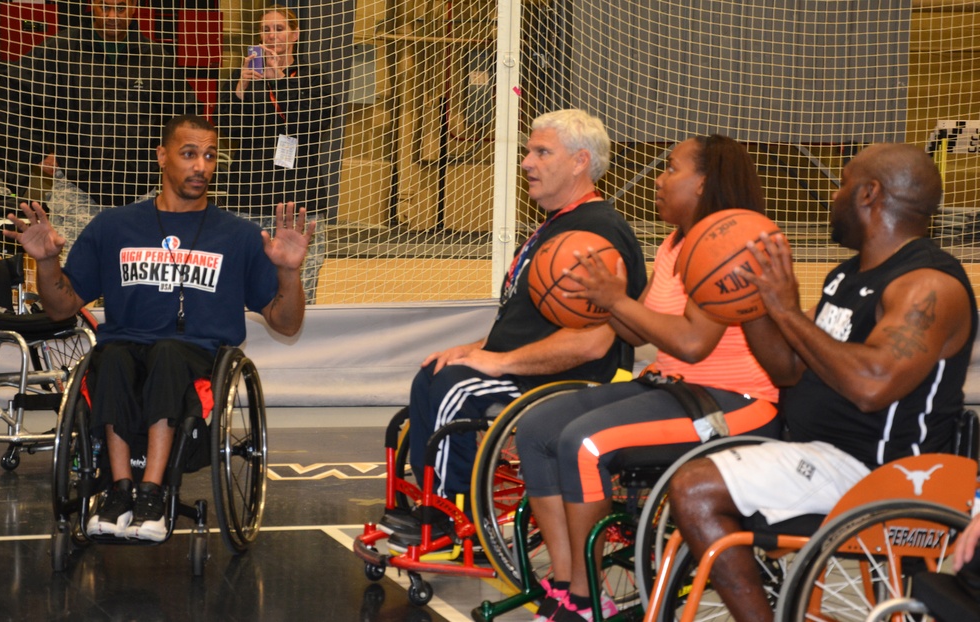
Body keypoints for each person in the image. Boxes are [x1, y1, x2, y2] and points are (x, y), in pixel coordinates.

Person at [666, 142, 977, 622]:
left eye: (843, 183)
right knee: (693, 476)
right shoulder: (847, 276)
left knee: (696, 488)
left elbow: (871, 386)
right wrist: (755, 304)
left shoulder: (928, 285)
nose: (834, 196)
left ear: (869, 194)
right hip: (824, 455)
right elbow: (789, 369)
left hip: (881, 472)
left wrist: (787, 309)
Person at [5, 114, 313, 541]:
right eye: (189, 154)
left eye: (209, 156)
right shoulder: (114, 227)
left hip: (198, 358)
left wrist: (289, 273)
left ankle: (153, 493)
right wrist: (46, 261)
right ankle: (119, 490)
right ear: (162, 157)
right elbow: (61, 308)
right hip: (126, 350)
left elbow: (287, 321)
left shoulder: (239, 236)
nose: (201, 166)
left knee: (168, 352)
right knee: (108, 355)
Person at [513, 134, 781, 622]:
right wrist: (594, 298)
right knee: (535, 427)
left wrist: (616, 299)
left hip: (735, 403)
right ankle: (568, 583)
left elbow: (693, 342)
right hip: (677, 389)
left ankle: (587, 597)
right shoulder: (676, 242)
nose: (659, 179)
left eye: (671, 168)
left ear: (704, 183)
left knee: (584, 443)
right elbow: (639, 335)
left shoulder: (731, 242)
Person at [383, 109, 648, 547]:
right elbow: (524, 322)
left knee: (456, 389)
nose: (526, 162)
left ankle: (456, 522)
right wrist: (474, 349)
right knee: (436, 371)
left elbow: (595, 341)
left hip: (577, 379)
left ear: (581, 161)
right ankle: (427, 503)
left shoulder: (596, 233)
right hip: (531, 366)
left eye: (541, 152)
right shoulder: (560, 225)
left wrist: (499, 361)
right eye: (528, 151)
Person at [15, 0, 200, 242]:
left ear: (134, 7)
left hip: (140, 194)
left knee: (133, 275)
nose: (112, 16)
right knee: (73, 275)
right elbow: (16, 96)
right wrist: (37, 153)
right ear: (92, 5)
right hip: (77, 191)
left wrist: (169, 158)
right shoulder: (61, 49)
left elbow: (185, 117)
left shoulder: (156, 57)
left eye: (121, 8)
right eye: (105, 7)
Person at [215, 5, 332, 303]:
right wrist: (242, 83)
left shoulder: (313, 78)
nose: (271, 36)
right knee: (242, 287)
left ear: (294, 34)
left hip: (298, 199)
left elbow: (310, 126)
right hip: (248, 196)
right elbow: (226, 126)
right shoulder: (244, 79)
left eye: (278, 29)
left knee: (299, 289)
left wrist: (278, 78)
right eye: (265, 30)